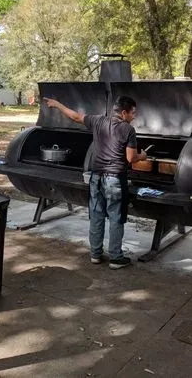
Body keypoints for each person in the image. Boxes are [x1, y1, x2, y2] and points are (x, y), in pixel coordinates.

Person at [43, 96, 147, 269]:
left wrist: (57, 104)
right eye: (133, 113)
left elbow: (75, 117)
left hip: (96, 177)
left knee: (97, 215)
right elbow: (131, 158)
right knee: (116, 217)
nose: (134, 116)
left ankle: (96, 254)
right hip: (115, 178)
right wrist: (142, 156)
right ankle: (115, 258)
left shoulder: (98, 121)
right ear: (124, 113)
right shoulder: (128, 129)